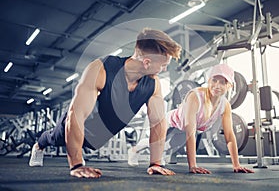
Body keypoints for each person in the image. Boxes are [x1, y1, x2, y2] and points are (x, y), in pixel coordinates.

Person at [28, 28, 182, 178]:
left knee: (89, 142)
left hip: (99, 136)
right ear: (147, 62)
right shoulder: (101, 69)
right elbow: (76, 115)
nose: (164, 69)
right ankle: (38, 146)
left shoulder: (153, 84)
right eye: (163, 65)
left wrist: (155, 163)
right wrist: (76, 165)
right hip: (75, 126)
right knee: (54, 138)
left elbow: (158, 123)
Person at [128, 64, 254, 174]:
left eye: (223, 82)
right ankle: (134, 150)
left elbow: (229, 135)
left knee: (166, 147)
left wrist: (236, 165)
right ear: (209, 80)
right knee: (156, 144)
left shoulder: (224, 105)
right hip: (171, 121)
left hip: (184, 129)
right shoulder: (195, 96)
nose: (217, 85)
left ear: (229, 86)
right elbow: (190, 132)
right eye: (214, 80)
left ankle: (153, 153)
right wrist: (192, 166)